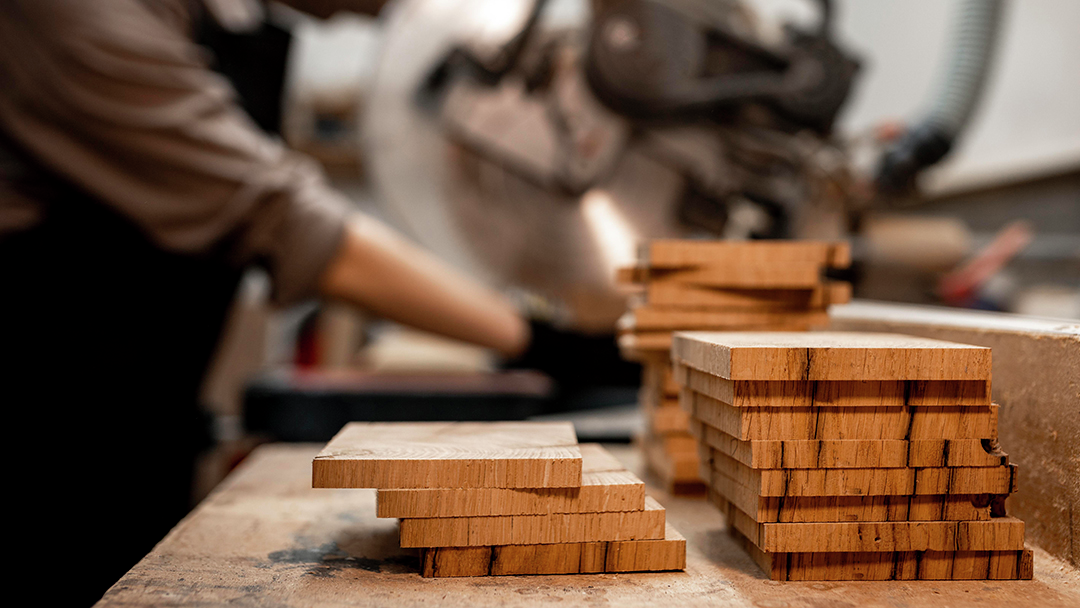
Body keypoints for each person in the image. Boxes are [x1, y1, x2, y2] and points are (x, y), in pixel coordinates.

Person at [0, 1, 529, 603]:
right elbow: (281, 220)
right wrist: (532, 336)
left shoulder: (227, 22)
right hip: (39, 448)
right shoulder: (71, 13)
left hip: (137, 432)